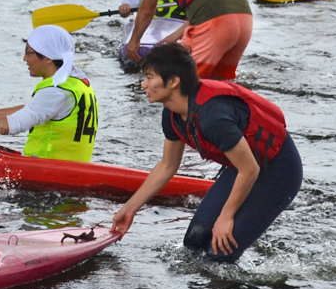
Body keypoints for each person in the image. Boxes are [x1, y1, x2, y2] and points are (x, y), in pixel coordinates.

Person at [111, 43, 303, 263]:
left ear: (174, 81)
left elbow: (250, 169)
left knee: (220, 253)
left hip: (278, 170)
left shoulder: (212, 117)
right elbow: (167, 165)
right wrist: (129, 210)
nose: (143, 84)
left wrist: (226, 217)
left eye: (149, 77)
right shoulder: (172, 114)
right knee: (194, 241)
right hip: (242, 167)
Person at [0, 25, 98, 162]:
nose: (24, 58)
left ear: (48, 58)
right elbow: (33, 109)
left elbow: (14, 125)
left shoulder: (56, 92)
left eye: (29, 53)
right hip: (68, 167)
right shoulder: (76, 81)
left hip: (47, 172)